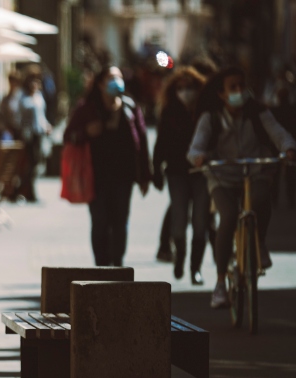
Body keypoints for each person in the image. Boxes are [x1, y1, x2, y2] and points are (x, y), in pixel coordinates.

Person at [188, 66, 296, 309]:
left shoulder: (258, 113)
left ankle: (260, 242)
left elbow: (279, 134)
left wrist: (288, 148)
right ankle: (219, 284)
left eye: (241, 86)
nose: (238, 91)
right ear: (221, 94)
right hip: (222, 176)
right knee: (227, 217)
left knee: (261, 198)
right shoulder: (211, 118)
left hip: (254, 172)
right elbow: (195, 147)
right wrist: (199, 157)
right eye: (232, 87)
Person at [64, 66, 152, 267]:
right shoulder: (87, 108)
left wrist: (145, 175)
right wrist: (86, 132)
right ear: (100, 84)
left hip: (124, 175)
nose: (116, 82)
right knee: (100, 221)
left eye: (119, 77)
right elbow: (68, 135)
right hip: (95, 175)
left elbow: (143, 142)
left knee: (120, 221)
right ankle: (102, 265)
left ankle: (118, 263)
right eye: (111, 78)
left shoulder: (130, 107)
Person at [153, 67, 209, 285]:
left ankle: (196, 268)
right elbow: (160, 143)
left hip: (201, 172)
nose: (186, 92)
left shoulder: (206, 112)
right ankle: (180, 257)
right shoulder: (170, 112)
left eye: (190, 87)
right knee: (178, 219)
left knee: (201, 222)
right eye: (181, 88)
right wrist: (156, 169)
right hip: (176, 172)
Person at [19, 72, 52, 202]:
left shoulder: (39, 96)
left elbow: (41, 115)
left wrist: (47, 125)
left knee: (37, 162)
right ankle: (28, 191)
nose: (34, 84)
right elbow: (23, 115)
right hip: (29, 134)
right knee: (30, 163)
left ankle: (29, 190)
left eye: (36, 82)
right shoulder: (24, 97)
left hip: (39, 133)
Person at [0, 70, 24, 139]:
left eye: (16, 81)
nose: (13, 83)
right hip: (10, 129)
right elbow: (2, 114)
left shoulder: (23, 96)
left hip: (22, 128)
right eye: (11, 81)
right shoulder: (6, 98)